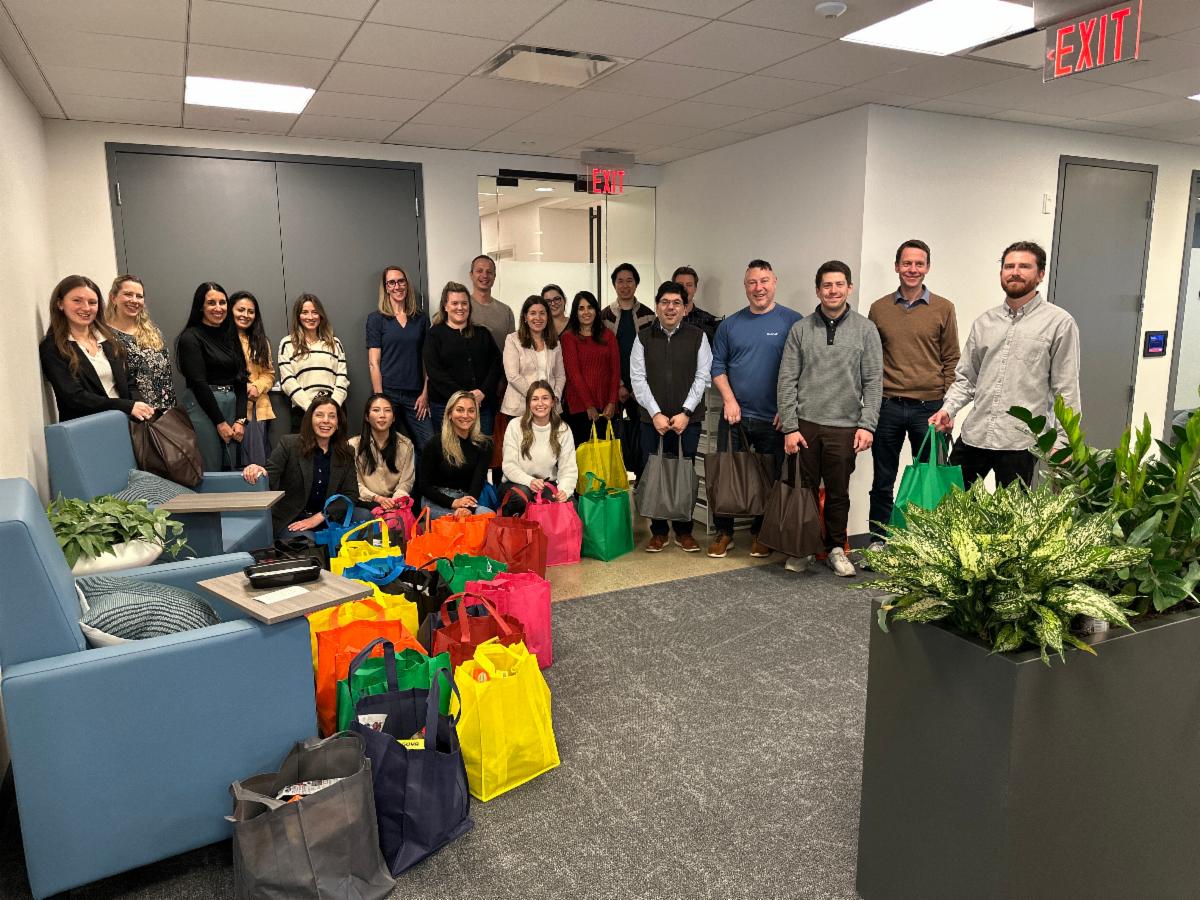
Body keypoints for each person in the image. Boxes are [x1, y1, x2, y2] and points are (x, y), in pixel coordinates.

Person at [931, 241, 1081, 488]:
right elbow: (966, 378)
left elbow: (1066, 389)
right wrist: (948, 409)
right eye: (1009, 266)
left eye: (1024, 266)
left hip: (1021, 443)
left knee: (1012, 513)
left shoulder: (1059, 323)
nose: (1015, 272)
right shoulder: (984, 322)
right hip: (975, 435)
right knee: (947, 504)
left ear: (1040, 274)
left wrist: (1064, 442)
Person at [777, 261, 882, 577]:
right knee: (804, 491)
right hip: (806, 425)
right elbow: (787, 380)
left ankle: (836, 548)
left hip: (845, 426)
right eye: (827, 285)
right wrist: (790, 427)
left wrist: (867, 425)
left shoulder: (866, 330)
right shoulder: (800, 329)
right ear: (818, 290)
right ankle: (804, 547)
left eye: (839, 284)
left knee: (838, 493)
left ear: (849, 288)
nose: (833, 290)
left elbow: (873, 381)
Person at [866, 240, 960, 550]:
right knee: (883, 479)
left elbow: (952, 360)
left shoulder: (943, 308)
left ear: (927, 268)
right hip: (888, 406)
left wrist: (948, 409)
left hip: (929, 409)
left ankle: (930, 544)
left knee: (931, 477)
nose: (912, 269)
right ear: (897, 266)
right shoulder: (879, 309)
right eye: (907, 263)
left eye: (919, 264)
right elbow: (871, 360)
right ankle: (879, 539)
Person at [707, 259, 803, 558]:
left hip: (773, 420)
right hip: (735, 418)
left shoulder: (793, 322)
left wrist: (788, 408)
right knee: (726, 475)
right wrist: (729, 399)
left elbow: (803, 369)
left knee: (769, 478)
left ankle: (761, 532)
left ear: (774, 282)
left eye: (764, 281)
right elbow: (717, 366)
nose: (758, 288)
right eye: (752, 282)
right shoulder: (730, 325)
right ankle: (724, 532)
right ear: (745, 286)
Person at [630, 280, 712, 552]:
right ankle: (659, 531)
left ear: (685, 308)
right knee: (655, 472)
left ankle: (684, 530)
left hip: (687, 421)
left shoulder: (698, 337)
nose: (670, 307)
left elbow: (702, 377)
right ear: (657, 306)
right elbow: (638, 379)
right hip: (651, 421)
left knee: (683, 473)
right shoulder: (643, 337)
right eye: (665, 302)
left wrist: (686, 411)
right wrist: (655, 413)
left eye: (677, 303)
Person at [240, 393, 363, 539]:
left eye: (332, 416)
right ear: (310, 419)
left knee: (365, 516)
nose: (326, 420)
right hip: (294, 519)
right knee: (306, 542)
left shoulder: (346, 451)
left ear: (338, 423)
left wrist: (321, 516)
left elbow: (350, 494)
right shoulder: (289, 444)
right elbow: (269, 475)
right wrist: (257, 469)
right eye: (319, 415)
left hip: (326, 517)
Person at [39, 274, 155, 423]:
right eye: (77, 301)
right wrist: (125, 406)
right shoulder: (53, 347)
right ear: (60, 304)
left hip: (126, 423)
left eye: (92, 302)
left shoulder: (109, 340)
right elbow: (74, 397)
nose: (86, 308)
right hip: (90, 428)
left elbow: (129, 383)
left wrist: (139, 406)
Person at [176, 281, 249, 470]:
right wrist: (220, 422)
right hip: (203, 407)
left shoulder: (231, 335)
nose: (218, 308)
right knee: (210, 466)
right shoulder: (190, 338)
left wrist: (241, 419)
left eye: (222, 302)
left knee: (231, 466)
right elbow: (198, 383)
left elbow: (241, 379)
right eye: (211, 303)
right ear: (201, 306)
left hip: (231, 404)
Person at [367, 264, 432, 450]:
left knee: (429, 444)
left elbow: (428, 360)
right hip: (388, 392)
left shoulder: (420, 318)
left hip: (416, 395)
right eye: (392, 283)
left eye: (401, 281)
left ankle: (419, 472)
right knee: (384, 445)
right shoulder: (376, 319)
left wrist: (425, 394)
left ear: (407, 284)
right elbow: (373, 362)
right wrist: (380, 399)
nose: (397, 286)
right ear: (386, 288)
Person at [423, 281, 501, 435]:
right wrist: (464, 397)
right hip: (446, 407)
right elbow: (435, 372)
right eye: (455, 303)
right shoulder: (434, 335)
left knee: (481, 447)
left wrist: (483, 391)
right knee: (448, 449)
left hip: (481, 407)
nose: (460, 307)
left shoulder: (482, 333)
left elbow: (497, 364)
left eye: (464, 303)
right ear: (445, 306)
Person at [500, 381, 578, 516]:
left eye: (545, 398)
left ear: (553, 402)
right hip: (517, 482)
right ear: (528, 403)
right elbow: (509, 466)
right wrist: (529, 481)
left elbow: (568, 468)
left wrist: (564, 491)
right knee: (521, 498)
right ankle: (513, 528)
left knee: (570, 505)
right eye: (535, 399)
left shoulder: (563, 429)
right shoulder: (515, 426)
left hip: (546, 484)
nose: (540, 403)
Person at [417, 389, 494, 519]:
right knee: (458, 521)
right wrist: (453, 503)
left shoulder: (484, 445)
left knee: (489, 515)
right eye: (460, 410)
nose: (465, 415)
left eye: (471, 410)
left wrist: (467, 508)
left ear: (476, 414)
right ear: (449, 414)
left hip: (466, 499)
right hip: (436, 500)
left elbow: (477, 483)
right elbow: (424, 486)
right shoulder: (435, 443)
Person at [278, 293, 349, 431]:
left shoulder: (334, 343)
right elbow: (288, 381)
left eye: (315, 312)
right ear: (298, 316)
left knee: (337, 446)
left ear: (321, 315)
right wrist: (311, 409)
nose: (310, 317)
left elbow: (342, 378)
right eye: (305, 312)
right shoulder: (287, 343)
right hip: (303, 411)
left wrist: (333, 407)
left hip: (334, 410)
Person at [105, 274, 176, 410]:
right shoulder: (105, 336)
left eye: (139, 296)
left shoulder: (152, 332)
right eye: (128, 294)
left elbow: (166, 375)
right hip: (133, 410)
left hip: (165, 409)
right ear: (113, 298)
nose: (134, 300)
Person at [560, 290, 620, 446]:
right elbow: (574, 374)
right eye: (581, 308)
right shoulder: (568, 337)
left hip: (606, 408)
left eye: (590, 307)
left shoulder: (608, 336)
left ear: (596, 310)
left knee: (605, 455)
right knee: (582, 456)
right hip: (580, 407)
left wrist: (612, 402)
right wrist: (589, 405)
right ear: (575, 312)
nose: (586, 312)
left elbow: (615, 371)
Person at [601, 262, 655, 430]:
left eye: (629, 280)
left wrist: (638, 387)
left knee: (642, 434)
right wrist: (619, 385)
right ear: (614, 285)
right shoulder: (604, 316)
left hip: (641, 386)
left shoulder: (649, 316)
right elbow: (602, 356)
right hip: (612, 386)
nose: (625, 285)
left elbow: (653, 355)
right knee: (611, 433)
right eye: (620, 281)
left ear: (636, 284)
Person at [501, 295, 566, 421]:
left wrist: (555, 397)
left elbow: (560, 375)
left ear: (548, 317)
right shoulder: (513, 340)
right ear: (525, 317)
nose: (538, 317)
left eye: (542, 313)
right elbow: (513, 376)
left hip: (549, 408)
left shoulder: (555, 342)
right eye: (533, 313)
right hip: (520, 409)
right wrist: (537, 398)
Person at [347, 393, 415, 509]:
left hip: (395, 502)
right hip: (366, 502)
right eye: (376, 410)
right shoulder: (353, 445)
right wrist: (377, 498)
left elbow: (406, 481)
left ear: (393, 418)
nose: (382, 415)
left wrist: (394, 501)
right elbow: (355, 484)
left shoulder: (406, 445)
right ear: (367, 417)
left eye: (387, 410)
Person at [229, 290, 276, 458]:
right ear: (230, 310)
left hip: (256, 407)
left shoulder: (261, 341)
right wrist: (242, 385)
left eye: (251, 311)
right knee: (228, 462)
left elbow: (269, 374)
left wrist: (257, 386)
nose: (246, 315)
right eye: (240, 310)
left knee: (255, 463)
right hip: (229, 405)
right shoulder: (220, 340)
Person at [468, 254, 515, 350]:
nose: (485, 275)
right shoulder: (461, 309)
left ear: (494, 276)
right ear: (471, 275)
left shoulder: (506, 312)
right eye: (479, 271)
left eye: (489, 272)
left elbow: (511, 350)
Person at [672, 265, 720, 341]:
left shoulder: (709, 322)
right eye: (680, 285)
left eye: (689, 285)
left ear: (695, 289)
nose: (684, 289)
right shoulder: (661, 321)